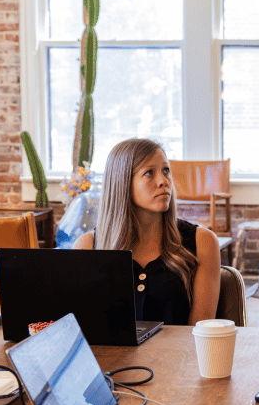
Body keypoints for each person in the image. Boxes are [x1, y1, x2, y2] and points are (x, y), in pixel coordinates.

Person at [74, 138, 220, 326]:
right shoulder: (86, 246)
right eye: (149, 173)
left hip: (179, 355)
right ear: (122, 182)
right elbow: (87, 331)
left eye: (166, 170)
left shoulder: (203, 242)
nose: (163, 181)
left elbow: (200, 336)